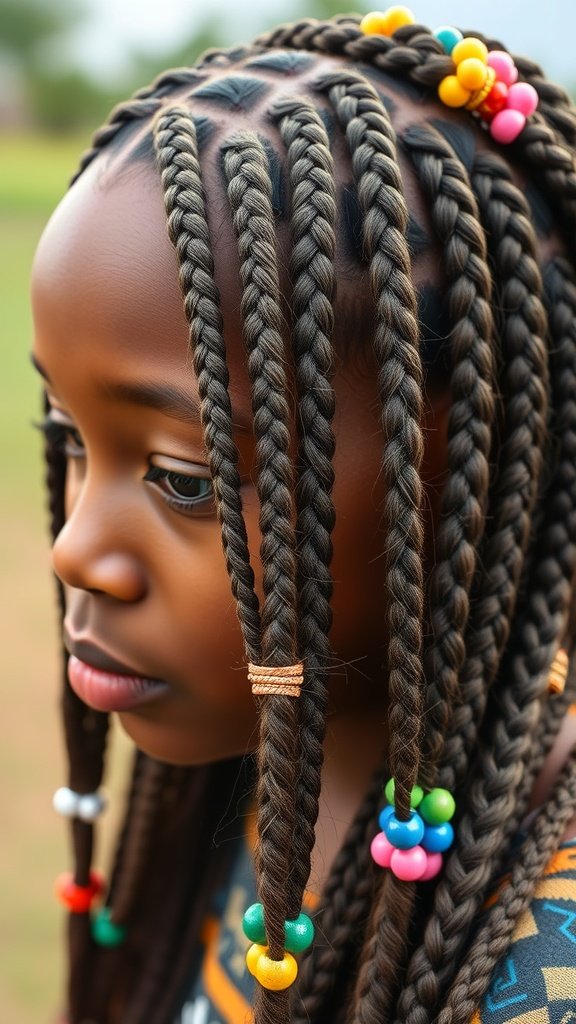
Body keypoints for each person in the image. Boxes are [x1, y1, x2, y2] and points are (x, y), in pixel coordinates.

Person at [29, 6, 576, 1023]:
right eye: (65, 433)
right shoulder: (253, 780)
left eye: (185, 478)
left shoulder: (544, 967)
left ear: (458, 477)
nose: (76, 550)